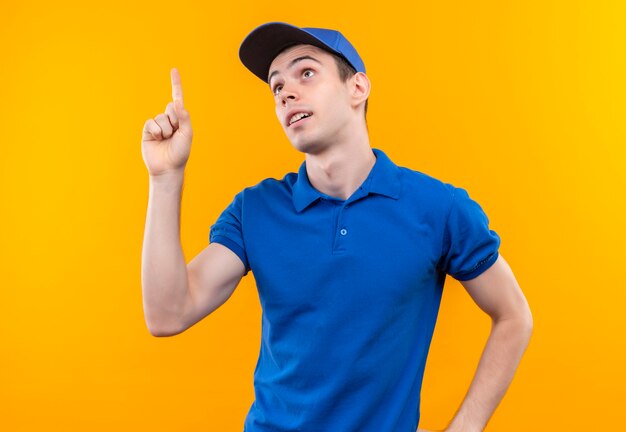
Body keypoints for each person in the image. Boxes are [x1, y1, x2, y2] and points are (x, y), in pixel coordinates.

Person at [141, 21, 533, 432]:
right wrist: (165, 177)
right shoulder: (255, 209)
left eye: (305, 73)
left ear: (357, 88)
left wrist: (465, 428)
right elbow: (168, 314)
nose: (287, 92)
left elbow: (513, 315)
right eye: (276, 87)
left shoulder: (438, 207)